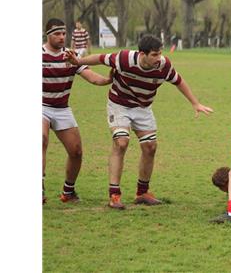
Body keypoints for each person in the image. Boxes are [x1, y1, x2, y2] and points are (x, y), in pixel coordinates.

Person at [65, 34, 213, 209]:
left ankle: (142, 193)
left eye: (160, 53)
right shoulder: (124, 59)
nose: (159, 58)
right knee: (121, 142)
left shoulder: (164, 65)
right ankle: (114, 195)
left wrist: (195, 103)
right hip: (119, 104)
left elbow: (179, 81)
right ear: (142, 54)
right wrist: (78, 62)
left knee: (150, 147)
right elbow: (99, 58)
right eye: (154, 55)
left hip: (143, 108)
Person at [43, 18, 112, 204]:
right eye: (57, 33)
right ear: (47, 35)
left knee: (76, 152)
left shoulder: (71, 56)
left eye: (64, 33)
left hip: (62, 108)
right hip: (40, 106)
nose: (61, 37)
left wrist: (108, 80)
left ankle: (68, 191)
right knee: (41, 139)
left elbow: (92, 78)